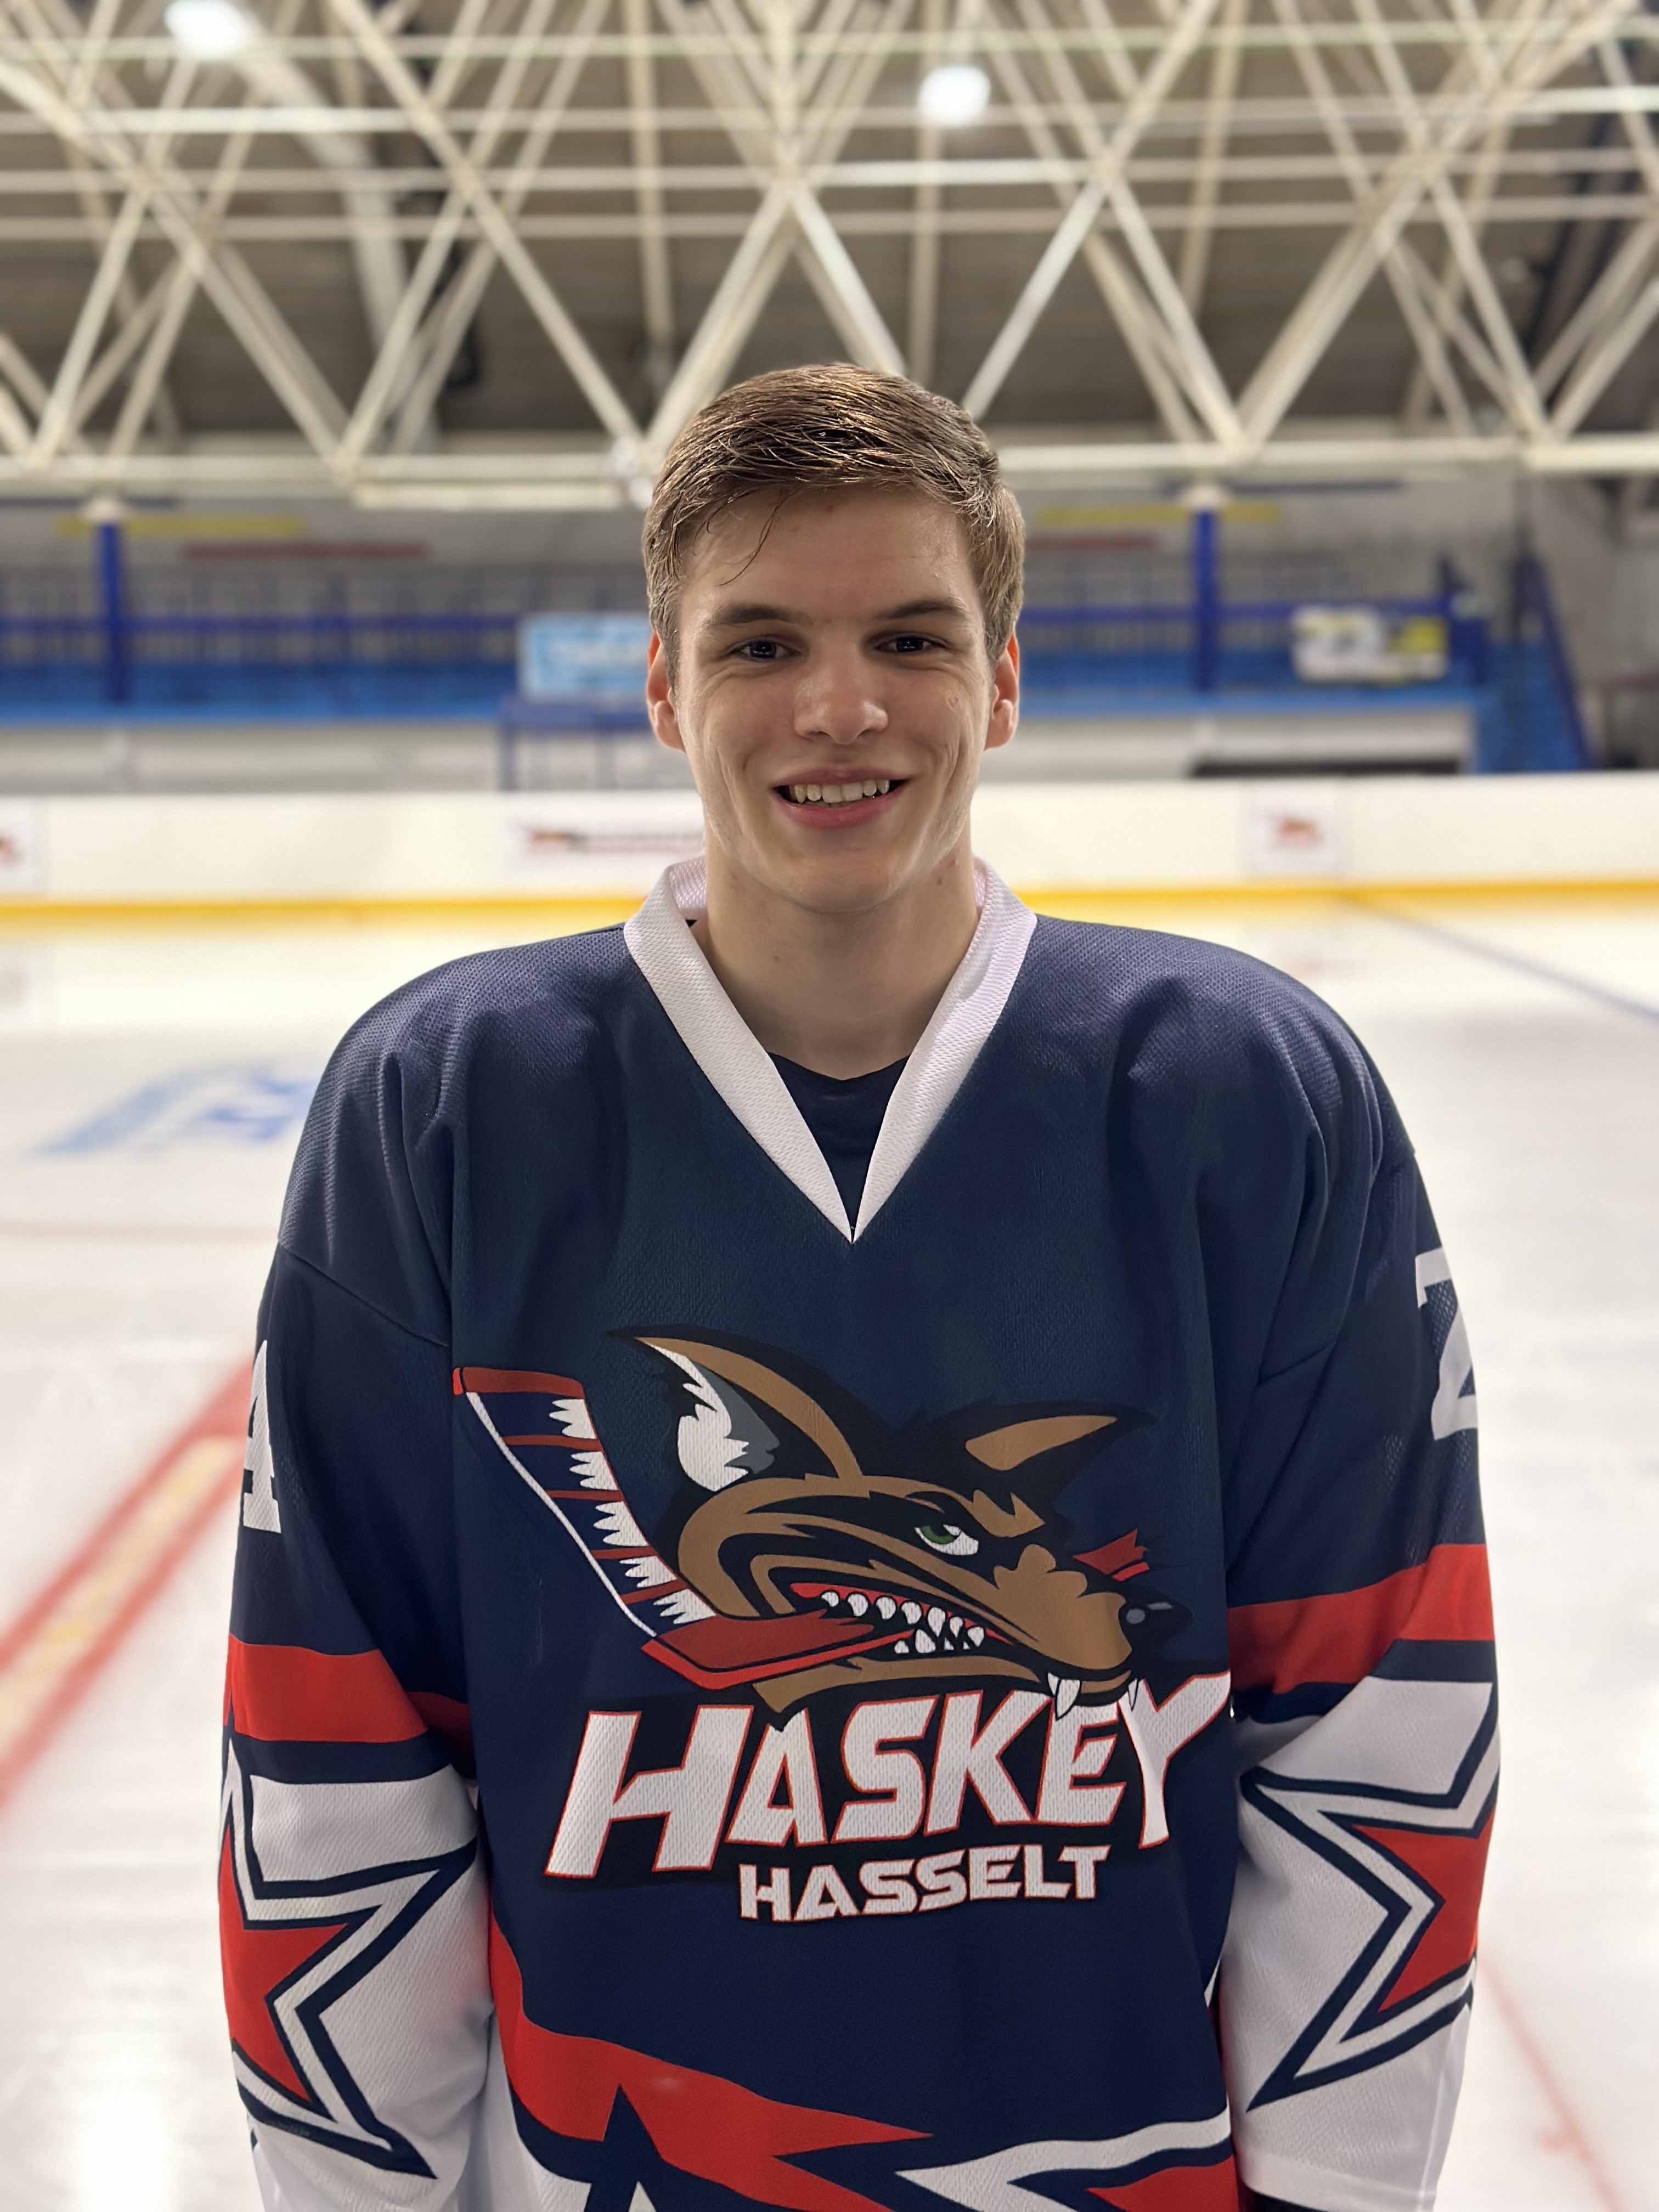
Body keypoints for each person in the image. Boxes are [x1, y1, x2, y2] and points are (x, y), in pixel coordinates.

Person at [221, 367, 1494, 2212]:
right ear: (665, 689)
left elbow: (1379, 1722)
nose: (840, 706)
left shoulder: (1245, 1098)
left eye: (911, 635)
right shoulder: (446, 1110)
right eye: (760, 644)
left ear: (1004, 678)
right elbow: (337, 1750)